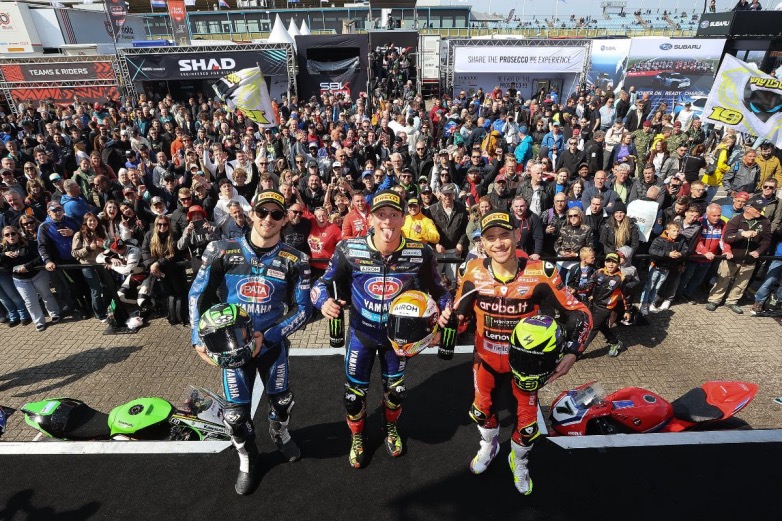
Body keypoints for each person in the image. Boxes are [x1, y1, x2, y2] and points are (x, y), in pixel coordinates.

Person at [447, 210, 592, 494]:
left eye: (504, 235)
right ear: (482, 243)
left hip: (527, 367)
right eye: (491, 238)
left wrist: (573, 351)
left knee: (527, 426)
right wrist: (447, 322)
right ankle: (489, 445)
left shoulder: (541, 272)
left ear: (516, 235)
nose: (498, 243)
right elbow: (460, 316)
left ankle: (520, 460)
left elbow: (578, 312)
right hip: (485, 360)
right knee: (480, 412)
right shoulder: (471, 271)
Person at [312, 190, 452, 469]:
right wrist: (323, 302)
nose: (387, 221)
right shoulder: (348, 249)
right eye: (381, 214)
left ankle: (390, 428)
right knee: (353, 398)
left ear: (403, 218)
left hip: (399, 339)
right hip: (361, 334)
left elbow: (440, 291)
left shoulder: (420, 253)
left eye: (394, 214)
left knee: (396, 392)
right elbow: (321, 284)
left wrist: (446, 310)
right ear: (371, 219)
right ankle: (357, 436)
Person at [189, 189, 313, 495]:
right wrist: (197, 338)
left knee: (282, 402)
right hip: (231, 346)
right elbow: (198, 294)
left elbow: (303, 309)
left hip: (271, 344)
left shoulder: (296, 259)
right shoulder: (221, 249)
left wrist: (269, 336)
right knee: (235, 416)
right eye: (262, 212)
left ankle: (280, 433)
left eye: (276, 214)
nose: (268, 219)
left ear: (284, 220)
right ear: (251, 213)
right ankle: (247, 457)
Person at [706, 198, 772, 313]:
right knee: (723, 280)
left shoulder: (765, 222)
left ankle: (732, 301)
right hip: (732, 257)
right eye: (757, 208)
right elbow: (727, 237)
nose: (760, 211)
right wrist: (741, 234)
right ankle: (714, 300)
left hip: (750, 259)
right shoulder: (736, 220)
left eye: (761, 208)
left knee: (741, 283)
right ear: (748, 209)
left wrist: (758, 251)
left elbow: (766, 241)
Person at [1, 225, 60, 332]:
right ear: (4, 237)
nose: (10, 236)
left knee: (46, 295)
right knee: (30, 301)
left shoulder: (29, 243)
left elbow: (40, 257)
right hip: (20, 279)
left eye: (13, 233)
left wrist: (27, 266)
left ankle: (54, 313)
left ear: (18, 234)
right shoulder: (4, 249)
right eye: (7, 235)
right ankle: (39, 322)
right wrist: (4, 254)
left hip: (37, 274)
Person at [581, 252, 631, 357]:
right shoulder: (599, 272)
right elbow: (588, 286)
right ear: (604, 262)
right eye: (608, 261)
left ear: (618, 264)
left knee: (593, 328)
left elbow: (626, 296)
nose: (611, 264)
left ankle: (578, 352)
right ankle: (615, 342)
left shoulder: (621, 278)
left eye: (614, 262)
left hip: (605, 308)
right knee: (601, 325)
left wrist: (627, 311)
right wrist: (575, 289)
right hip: (593, 303)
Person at [639, 222, 689, 316]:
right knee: (649, 286)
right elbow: (652, 251)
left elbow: (686, 250)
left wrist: (680, 254)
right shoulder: (659, 239)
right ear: (667, 231)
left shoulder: (681, 239)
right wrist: (668, 254)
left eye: (678, 231)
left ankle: (650, 303)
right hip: (656, 266)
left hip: (667, 268)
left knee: (657, 287)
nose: (676, 233)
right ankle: (643, 304)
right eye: (674, 231)